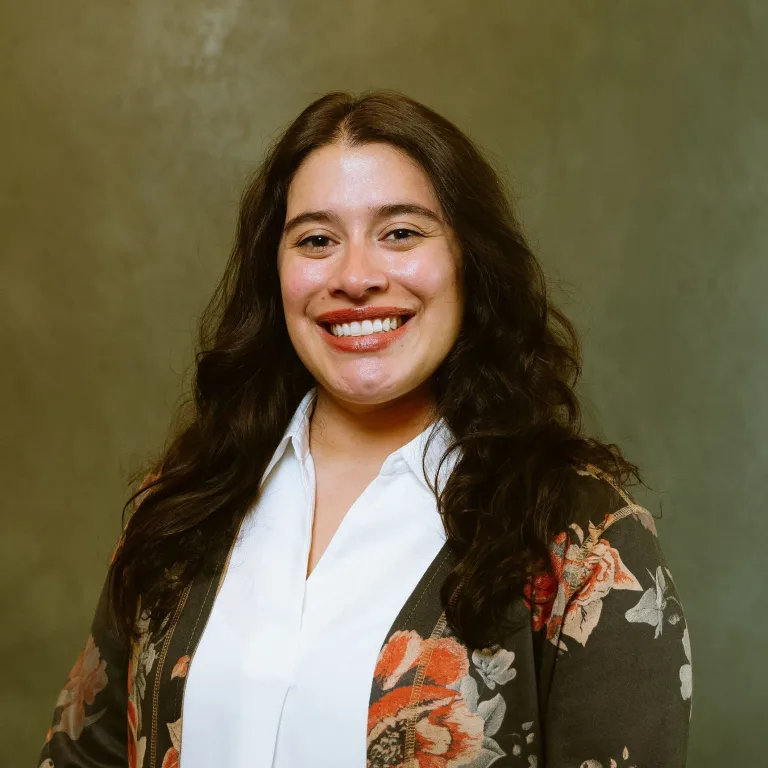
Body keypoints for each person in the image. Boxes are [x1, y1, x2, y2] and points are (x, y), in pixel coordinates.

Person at [38, 89, 692, 768]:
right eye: (317, 240)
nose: (356, 277)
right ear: (276, 273)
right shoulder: (182, 505)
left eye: (401, 233)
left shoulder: (586, 544)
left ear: (469, 259)